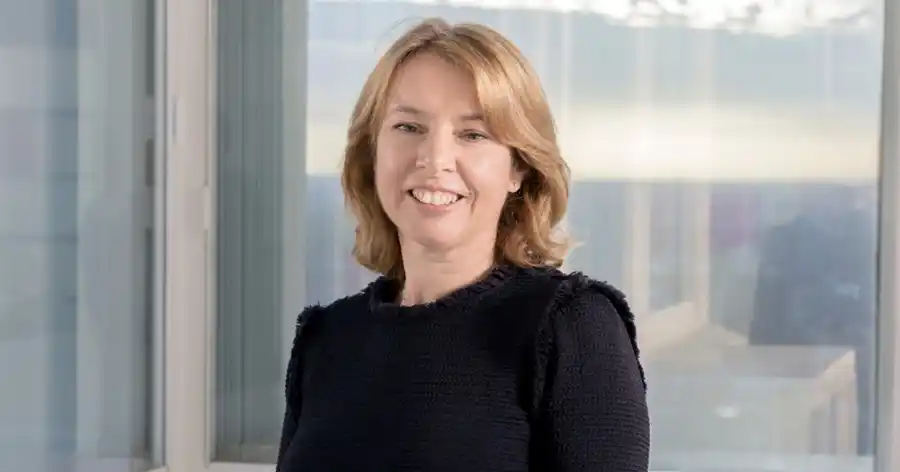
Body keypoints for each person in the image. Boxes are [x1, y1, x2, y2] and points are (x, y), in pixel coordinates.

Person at [276, 18, 649, 472]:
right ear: (372, 152)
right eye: (409, 127)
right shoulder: (326, 339)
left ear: (519, 169)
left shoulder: (570, 327)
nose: (434, 160)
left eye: (473, 134)